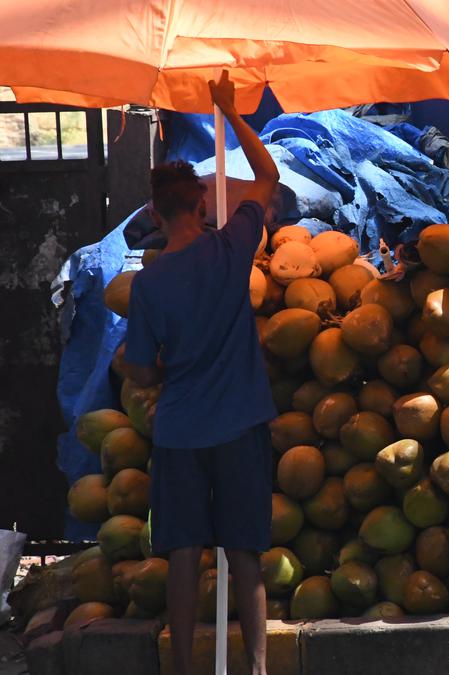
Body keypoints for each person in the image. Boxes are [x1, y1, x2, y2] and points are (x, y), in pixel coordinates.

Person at [122, 70, 279, 675]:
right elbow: (267, 179)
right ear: (202, 203)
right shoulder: (232, 247)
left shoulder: (149, 284)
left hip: (181, 433)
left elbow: (138, 370)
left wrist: (156, 370)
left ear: (157, 216)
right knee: (245, 554)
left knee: (183, 556)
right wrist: (231, 112)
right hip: (241, 424)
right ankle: (258, 666)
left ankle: (183, 667)